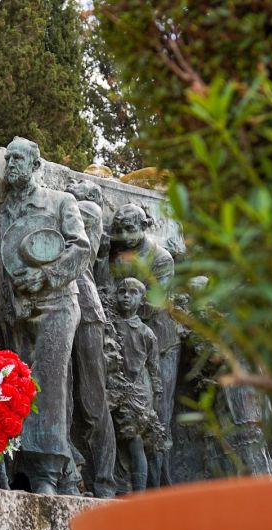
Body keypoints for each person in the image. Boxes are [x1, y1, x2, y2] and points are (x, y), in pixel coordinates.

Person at [0, 137, 90, 494]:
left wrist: (48, 275)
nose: (13, 164)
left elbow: (82, 248)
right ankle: (24, 467)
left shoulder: (59, 201)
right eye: (9, 159)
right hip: (11, 310)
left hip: (55, 304)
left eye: (20, 159)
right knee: (13, 387)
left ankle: (47, 473)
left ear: (36, 165)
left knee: (49, 385)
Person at [107, 203, 178, 486]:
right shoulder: (117, 256)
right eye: (119, 230)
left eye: (130, 229)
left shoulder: (161, 258)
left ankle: (161, 483)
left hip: (159, 342)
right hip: (125, 342)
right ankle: (132, 481)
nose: (124, 236)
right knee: (129, 423)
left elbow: (150, 304)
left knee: (159, 416)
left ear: (144, 226)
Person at [64, 188, 119, 498]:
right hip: (58, 305)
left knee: (93, 399)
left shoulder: (85, 210)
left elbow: (86, 252)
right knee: (67, 396)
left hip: (86, 309)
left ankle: (107, 482)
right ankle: (74, 475)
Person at [112, 277, 167, 491]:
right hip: (113, 387)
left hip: (138, 392)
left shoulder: (146, 333)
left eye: (133, 293)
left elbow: (154, 369)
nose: (126, 296)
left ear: (141, 300)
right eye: (122, 291)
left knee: (135, 442)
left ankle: (139, 492)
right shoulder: (110, 326)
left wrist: (156, 396)